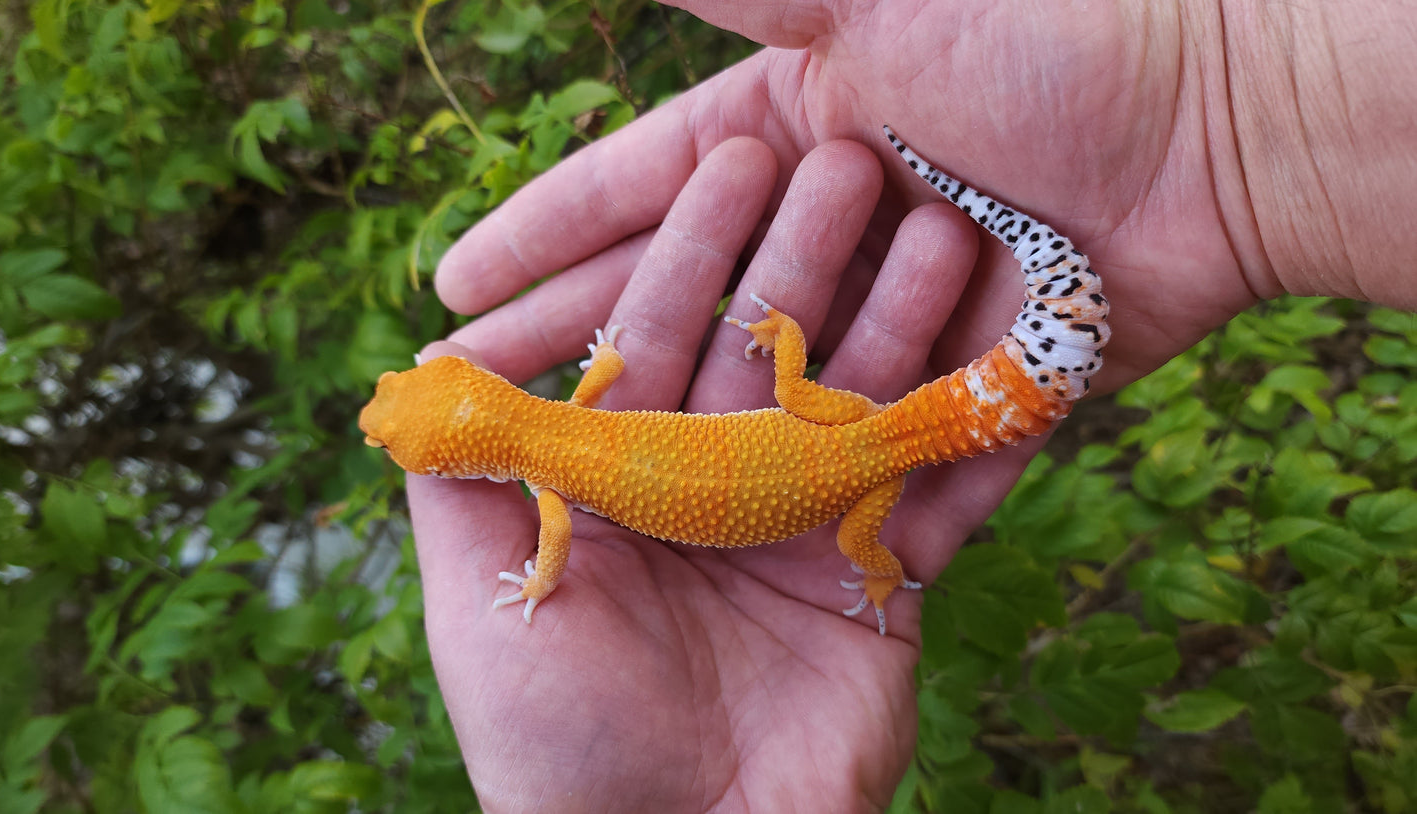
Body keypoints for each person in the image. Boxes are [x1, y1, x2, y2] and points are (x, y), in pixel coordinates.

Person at [405, 1, 1415, 809]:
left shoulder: (546, 477)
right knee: (804, 392)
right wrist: (775, 341)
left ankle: (878, 576)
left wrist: (540, 588)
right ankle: (851, 352)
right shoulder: (562, 420)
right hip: (832, 426)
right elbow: (602, 377)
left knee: (859, 552)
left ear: (467, 450)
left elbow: (551, 551)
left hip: (854, 471)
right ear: (476, 402)